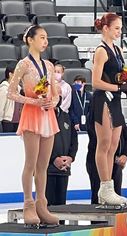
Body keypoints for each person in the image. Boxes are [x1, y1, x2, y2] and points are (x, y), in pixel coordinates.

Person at [7, 25, 60, 227]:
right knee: (31, 163)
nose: (46, 41)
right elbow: (11, 93)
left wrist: (53, 102)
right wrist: (33, 101)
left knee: (43, 165)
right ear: (30, 40)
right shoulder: (23, 64)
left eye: (47, 38)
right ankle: (28, 203)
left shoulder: (48, 65)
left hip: (47, 115)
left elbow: (55, 93)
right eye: (42, 37)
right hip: (32, 114)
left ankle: (41, 204)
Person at [92, 12, 127, 206]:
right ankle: (105, 187)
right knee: (105, 143)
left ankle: (110, 190)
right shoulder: (101, 51)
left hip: (115, 99)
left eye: (120, 29)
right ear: (106, 28)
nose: (119, 32)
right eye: (116, 28)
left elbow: (117, 75)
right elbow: (95, 82)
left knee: (114, 145)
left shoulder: (117, 49)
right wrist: (118, 87)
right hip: (104, 99)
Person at [86, 113, 127, 204]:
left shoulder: (117, 114)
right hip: (96, 161)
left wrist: (125, 154)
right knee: (98, 195)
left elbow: (126, 137)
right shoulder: (96, 113)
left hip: (115, 161)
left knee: (116, 194)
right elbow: (101, 142)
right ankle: (97, 217)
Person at [46, 100, 78, 207]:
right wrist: (53, 159)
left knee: (61, 207)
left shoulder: (67, 117)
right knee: (47, 205)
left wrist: (70, 158)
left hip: (64, 169)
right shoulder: (43, 116)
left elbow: (74, 140)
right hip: (47, 171)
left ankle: (61, 224)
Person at [0, 67, 22, 132]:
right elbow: (1, 106)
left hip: (18, 121)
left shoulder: (19, 88)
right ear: (10, 74)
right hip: (8, 122)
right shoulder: (4, 89)